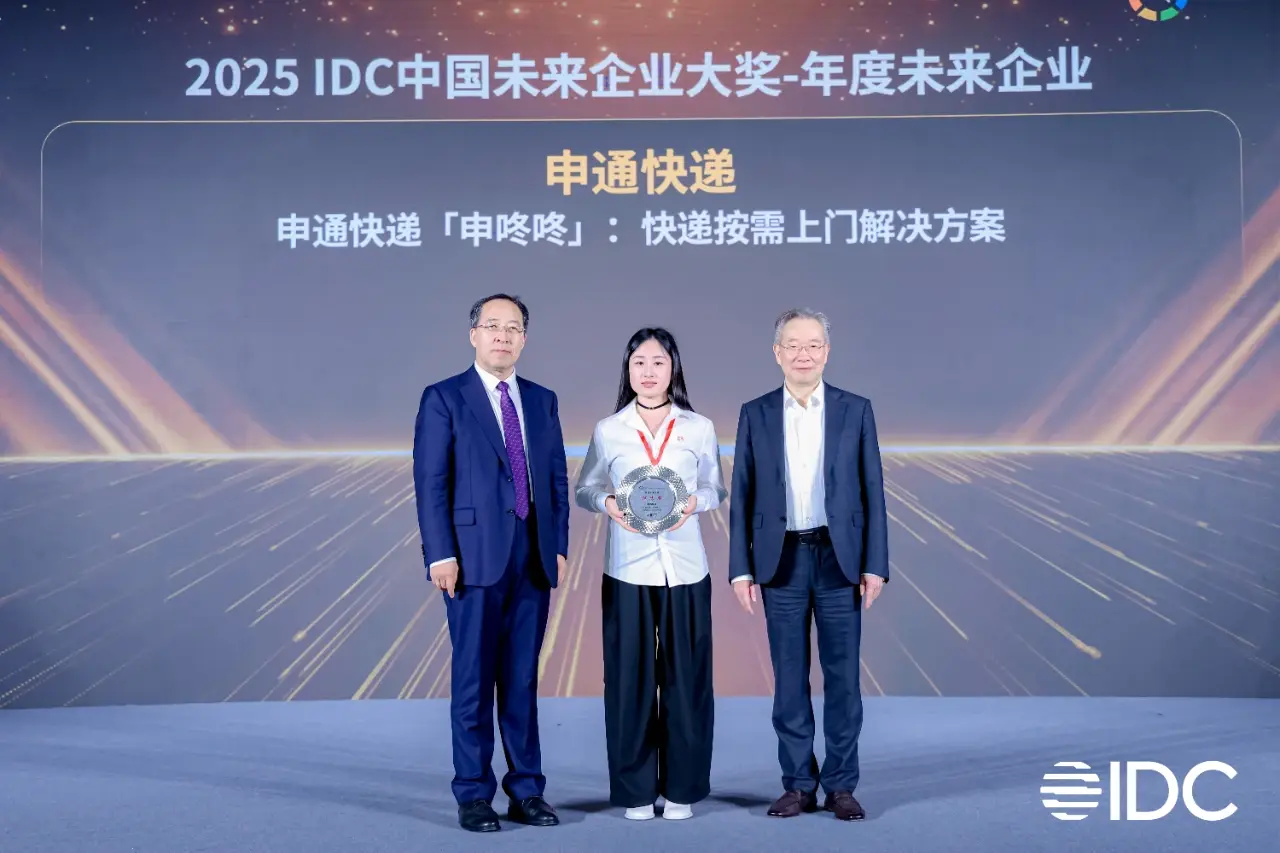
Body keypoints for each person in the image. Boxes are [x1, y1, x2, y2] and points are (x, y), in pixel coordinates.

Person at [412, 293, 570, 833]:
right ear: (473, 334)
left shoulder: (542, 400)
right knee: (474, 682)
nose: (503, 335)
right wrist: (441, 553)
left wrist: (558, 546)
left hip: (532, 558)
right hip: (471, 560)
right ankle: (474, 793)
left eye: (514, 327)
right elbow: (431, 481)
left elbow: (555, 479)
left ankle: (527, 790)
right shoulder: (444, 397)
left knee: (522, 681)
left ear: (524, 338)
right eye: (493, 325)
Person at [728, 308, 889, 822]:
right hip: (781, 561)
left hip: (840, 560)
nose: (804, 354)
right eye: (793, 345)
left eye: (814, 344)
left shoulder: (855, 410)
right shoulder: (755, 413)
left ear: (827, 352)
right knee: (789, 679)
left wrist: (875, 565)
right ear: (777, 353)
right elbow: (742, 494)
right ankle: (798, 784)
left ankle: (841, 785)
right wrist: (741, 569)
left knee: (843, 680)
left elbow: (873, 489)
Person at [575, 328, 727, 822]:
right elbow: (585, 489)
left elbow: (716, 489)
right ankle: (636, 792)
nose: (648, 371)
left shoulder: (699, 427)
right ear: (627, 369)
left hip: (686, 569)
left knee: (688, 680)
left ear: (673, 368)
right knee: (628, 682)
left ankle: (682, 790)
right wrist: (607, 503)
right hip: (627, 568)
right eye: (639, 362)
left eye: (658, 362)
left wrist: (693, 503)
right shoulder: (609, 429)